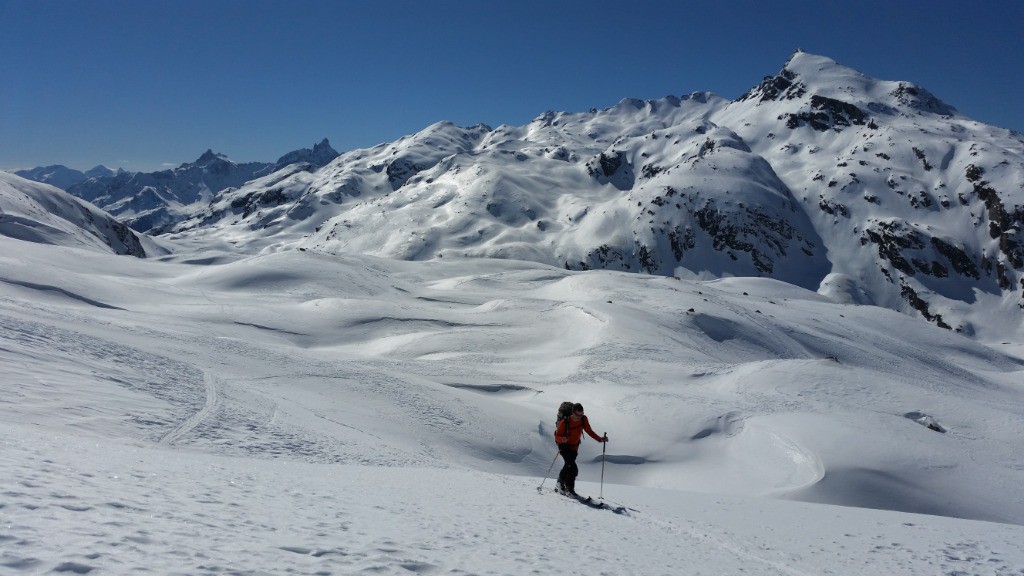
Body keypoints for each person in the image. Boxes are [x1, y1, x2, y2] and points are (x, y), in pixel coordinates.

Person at [553, 402, 607, 495]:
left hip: (575, 446)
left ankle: (560, 482)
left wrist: (599, 439)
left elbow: (589, 431)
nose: (579, 417)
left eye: (581, 414)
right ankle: (569, 490)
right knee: (573, 468)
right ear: (573, 412)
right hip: (564, 446)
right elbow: (557, 437)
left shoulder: (583, 419)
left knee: (568, 466)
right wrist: (562, 439)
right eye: (578, 415)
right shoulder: (564, 422)